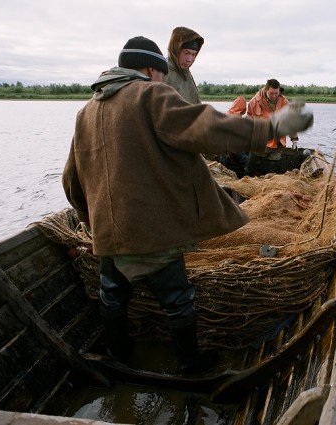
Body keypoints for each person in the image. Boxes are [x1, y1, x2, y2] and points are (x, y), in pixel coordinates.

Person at [62, 36, 313, 375]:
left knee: (112, 295)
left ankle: (117, 353)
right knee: (178, 300)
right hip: (151, 232)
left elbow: (71, 179)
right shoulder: (150, 94)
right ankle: (189, 366)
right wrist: (271, 127)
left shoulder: (86, 111)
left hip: (108, 234)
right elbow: (207, 127)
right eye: (161, 74)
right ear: (151, 69)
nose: (163, 80)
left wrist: (89, 221)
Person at [247, 79, 300, 151]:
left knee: (274, 161)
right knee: (256, 161)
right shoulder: (253, 102)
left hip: (278, 143)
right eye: (271, 93)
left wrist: (294, 139)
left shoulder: (284, 102)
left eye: (276, 93)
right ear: (266, 90)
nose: (274, 96)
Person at [162, 27, 204, 104]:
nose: (189, 60)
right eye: (186, 53)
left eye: (193, 54)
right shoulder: (162, 73)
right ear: (175, 50)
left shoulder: (187, 75)